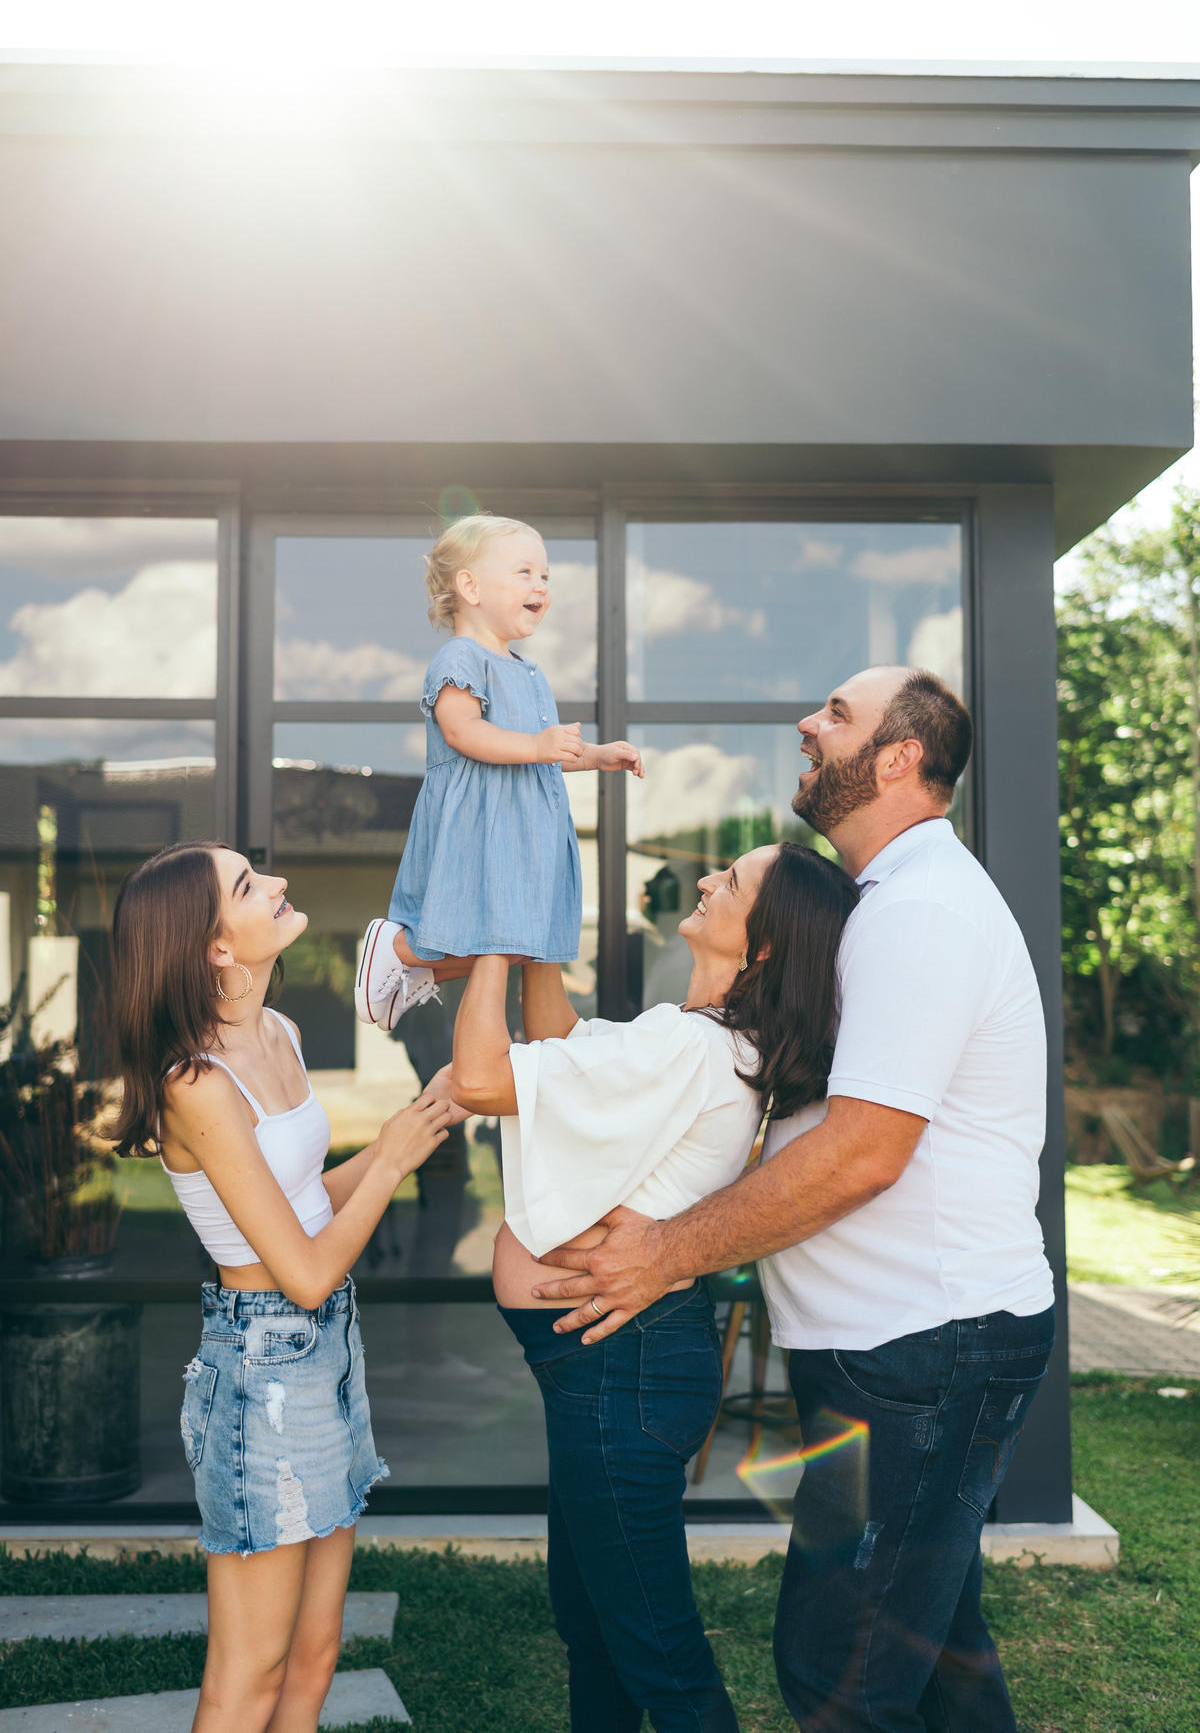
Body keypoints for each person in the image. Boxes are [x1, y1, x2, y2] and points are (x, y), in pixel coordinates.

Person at [533, 666, 1057, 1733]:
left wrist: (665, 1251)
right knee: (935, 1652)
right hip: (891, 1350)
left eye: (837, 715)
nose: (809, 725)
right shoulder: (884, 905)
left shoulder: (922, 912)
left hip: (927, 1353)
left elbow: (863, 1155)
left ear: (899, 758)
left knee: (838, 1669)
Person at [449, 841, 860, 1733]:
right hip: (614, 1369)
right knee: (595, 1629)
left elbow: (481, 1080)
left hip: (621, 1374)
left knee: (658, 1654)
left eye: (732, 881)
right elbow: (561, 1045)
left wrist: (492, 941)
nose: (706, 879)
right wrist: (539, 932)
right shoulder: (699, 1037)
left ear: (761, 946)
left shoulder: (692, 1045)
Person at [110, 841, 456, 1733]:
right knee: (248, 1680)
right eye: (248, 884)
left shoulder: (280, 1033)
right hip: (262, 1369)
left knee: (315, 1653)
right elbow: (301, 1272)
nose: (277, 884)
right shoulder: (196, 1085)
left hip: (330, 1347)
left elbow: (307, 1205)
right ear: (215, 946)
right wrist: (393, 1164)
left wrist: (405, 1130)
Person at [354, 513, 642, 1028]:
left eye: (545, 576)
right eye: (525, 573)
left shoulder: (529, 673)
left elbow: (543, 751)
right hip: (483, 826)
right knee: (482, 934)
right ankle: (399, 949)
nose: (541, 586)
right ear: (470, 587)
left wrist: (596, 755)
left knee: (525, 944)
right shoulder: (461, 658)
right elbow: (462, 730)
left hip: (528, 833)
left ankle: (423, 974)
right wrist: (536, 744)